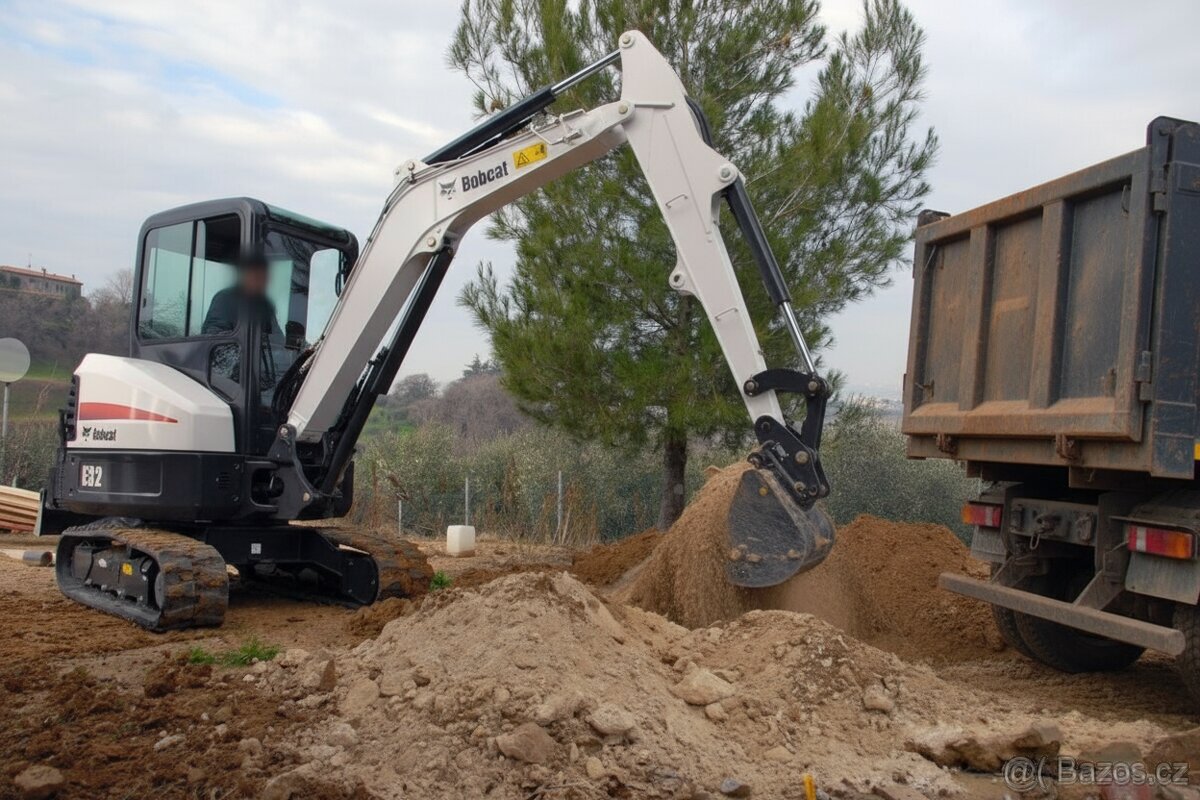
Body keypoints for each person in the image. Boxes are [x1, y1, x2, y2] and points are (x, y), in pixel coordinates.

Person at [202, 256, 282, 336]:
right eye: (258, 277)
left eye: (264, 278)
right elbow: (214, 335)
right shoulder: (224, 299)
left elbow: (277, 338)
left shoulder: (266, 305)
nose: (262, 283)